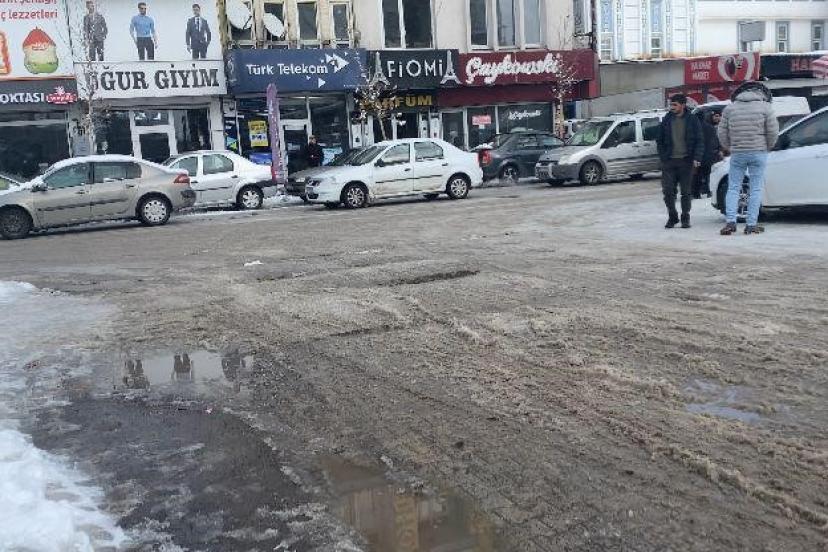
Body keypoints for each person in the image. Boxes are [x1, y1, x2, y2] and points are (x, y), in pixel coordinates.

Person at [717, 81, 779, 235]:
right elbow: (773, 131)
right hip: (758, 151)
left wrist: (728, 147)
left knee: (733, 187)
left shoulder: (730, 109)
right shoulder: (765, 107)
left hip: (738, 152)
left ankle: (730, 222)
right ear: (760, 93)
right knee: (755, 188)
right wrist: (768, 146)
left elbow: (721, 132)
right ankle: (751, 224)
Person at [656, 94, 704, 229]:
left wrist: (697, 157)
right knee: (668, 191)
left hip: (686, 161)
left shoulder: (692, 120)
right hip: (669, 162)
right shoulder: (666, 120)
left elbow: (699, 140)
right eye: (671, 105)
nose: (672, 107)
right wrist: (663, 156)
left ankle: (685, 217)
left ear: (683, 105)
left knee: (686, 192)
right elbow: (659, 140)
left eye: (675, 105)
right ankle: (673, 216)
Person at [693, 110, 722, 199]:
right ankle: (709, 191)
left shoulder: (694, 128)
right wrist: (717, 150)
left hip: (698, 155)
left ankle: (697, 193)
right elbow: (716, 140)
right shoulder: (710, 127)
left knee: (697, 175)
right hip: (709, 155)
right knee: (708, 174)